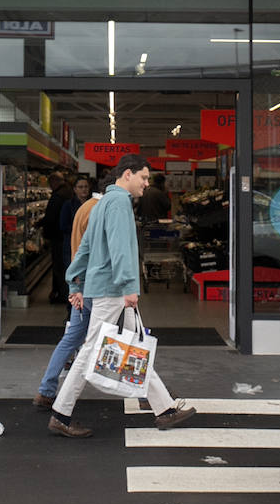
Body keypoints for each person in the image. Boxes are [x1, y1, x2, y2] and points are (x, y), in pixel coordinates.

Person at [47, 154, 196, 439]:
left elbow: (87, 246)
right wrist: (129, 286)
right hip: (112, 290)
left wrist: (73, 280)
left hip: (105, 288)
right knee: (91, 351)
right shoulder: (119, 203)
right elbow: (120, 249)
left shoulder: (103, 202)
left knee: (135, 345)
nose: (147, 183)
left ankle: (164, 409)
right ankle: (60, 413)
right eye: (143, 177)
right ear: (127, 174)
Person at [32, 182, 101, 410]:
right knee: (121, 337)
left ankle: (46, 390)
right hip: (94, 285)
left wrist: (74, 283)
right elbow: (91, 250)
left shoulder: (83, 208)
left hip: (82, 282)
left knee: (72, 338)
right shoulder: (98, 211)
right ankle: (144, 392)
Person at [41, 171, 73, 304]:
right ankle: (63, 292)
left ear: (54, 182)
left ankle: (62, 294)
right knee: (64, 266)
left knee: (59, 267)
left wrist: (45, 234)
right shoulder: (68, 194)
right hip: (66, 236)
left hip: (58, 236)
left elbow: (51, 218)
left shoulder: (57, 196)